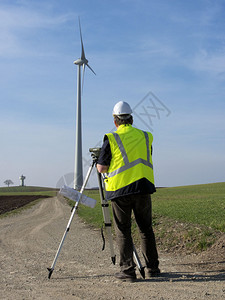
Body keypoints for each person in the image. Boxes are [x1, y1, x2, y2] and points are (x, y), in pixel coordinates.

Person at [97, 101, 160, 282]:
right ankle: (152, 269)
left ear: (115, 121)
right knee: (146, 229)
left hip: (121, 191)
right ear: (131, 119)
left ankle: (127, 271)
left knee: (123, 231)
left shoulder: (111, 138)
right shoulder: (146, 136)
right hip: (143, 187)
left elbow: (102, 168)